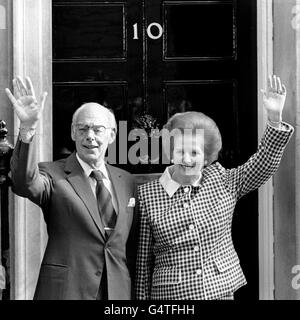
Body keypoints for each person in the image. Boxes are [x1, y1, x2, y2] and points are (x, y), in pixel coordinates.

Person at [135, 75, 294, 300]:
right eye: (180, 151)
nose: (187, 159)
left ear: (207, 156)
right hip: (171, 296)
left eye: (195, 153)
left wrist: (274, 119)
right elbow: (143, 261)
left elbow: (264, 163)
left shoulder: (221, 181)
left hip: (219, 290)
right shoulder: (147, 195)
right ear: (170, 152)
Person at [6, 76, 138, 300]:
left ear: (112, 135)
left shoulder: (126, 180)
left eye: (97, 129)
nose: (90, 136)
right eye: (83, 129)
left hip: (117, 293)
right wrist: (27, 130)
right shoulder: (53, 174)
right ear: (73, 133)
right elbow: (24, 182)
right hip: (66, 291)